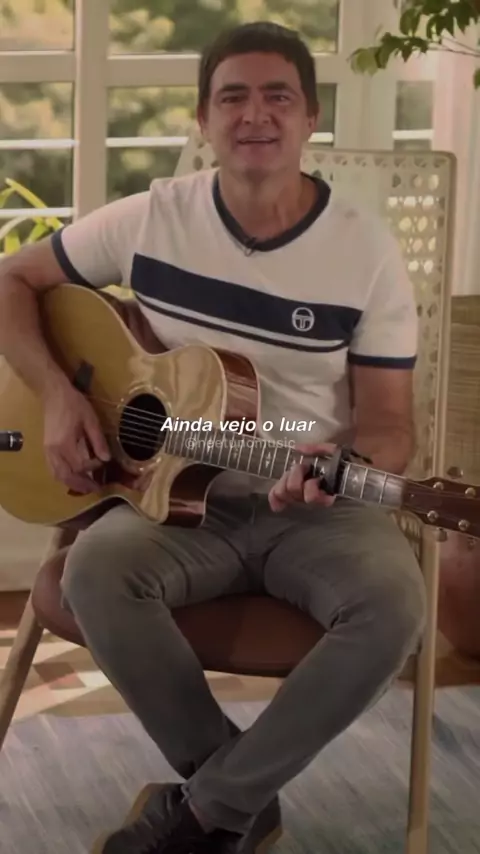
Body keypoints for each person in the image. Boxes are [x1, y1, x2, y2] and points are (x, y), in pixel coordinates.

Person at [0, 21, 426, 854]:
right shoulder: (151, 218)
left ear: (310, 119)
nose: (254, 115)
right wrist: (57, 395)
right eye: (232, 97)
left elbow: (389, 423)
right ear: (202, 119)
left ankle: (203, 815)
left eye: (278, 97)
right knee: (94, 570)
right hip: (174, 494)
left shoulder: (366, 252)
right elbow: (13, 279)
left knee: (395, 605)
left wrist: (349, 465)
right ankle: (237, 800)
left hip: (317, 506)